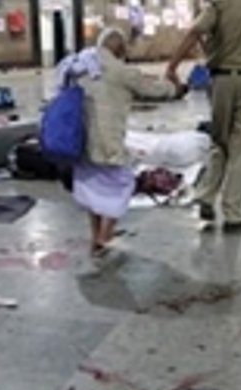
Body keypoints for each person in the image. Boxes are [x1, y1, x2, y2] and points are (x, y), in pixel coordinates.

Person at [166, 0, 241, 232]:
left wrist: (172, 66)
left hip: (222, 80)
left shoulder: (220, 5)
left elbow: (195, 32)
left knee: (219, 141)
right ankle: (233, 213)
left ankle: (206, 196)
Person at [67, 28, 183, 258]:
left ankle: (95, 236)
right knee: (122, 186)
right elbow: (152, 90)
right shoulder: (120, 71)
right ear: (119, 49)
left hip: (80, 141)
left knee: (92, 190)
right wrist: (174, 87)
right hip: (108, 142)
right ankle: (105, 236)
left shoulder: (79, 66)